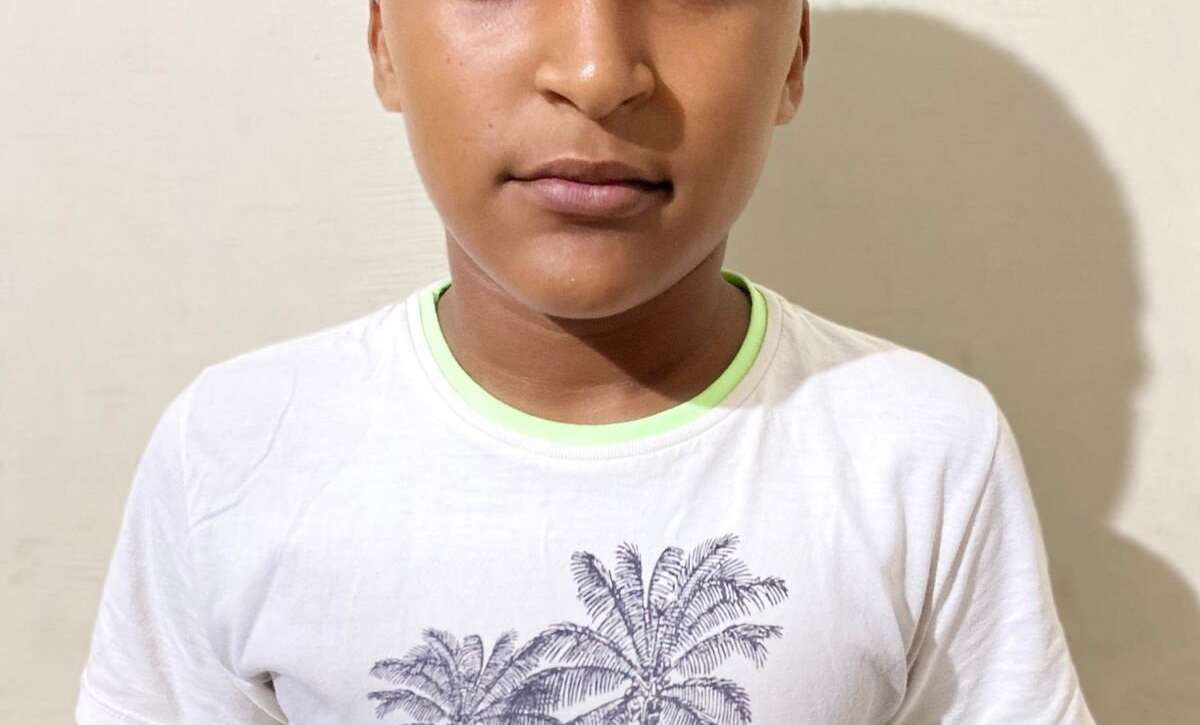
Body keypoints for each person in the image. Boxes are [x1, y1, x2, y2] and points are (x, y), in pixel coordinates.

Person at [75, 1, 1096, 723]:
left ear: (792, 55)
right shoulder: (237, 450)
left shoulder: (918, 452)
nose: (599, 72)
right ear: (384, 37)